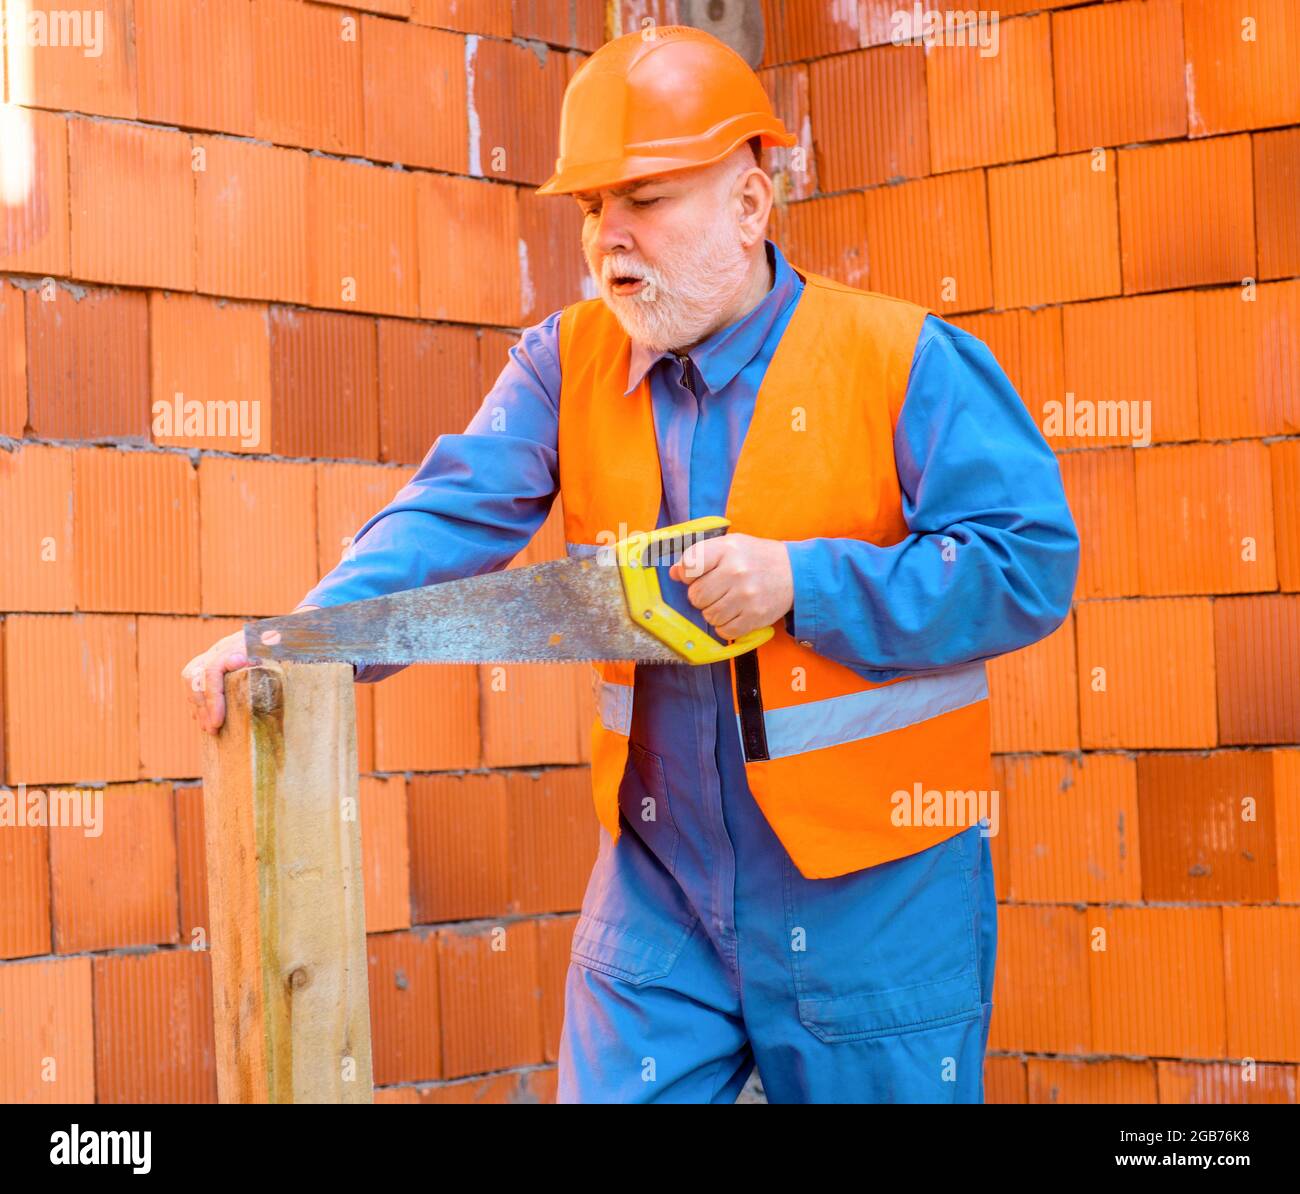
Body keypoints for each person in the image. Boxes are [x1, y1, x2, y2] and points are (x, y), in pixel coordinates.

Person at [183, 25, 1079, 1103]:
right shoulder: (565, 362)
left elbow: (1027, 564)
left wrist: (805, 583)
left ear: (750, 206)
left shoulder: (901, 359)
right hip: (661, 895)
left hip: (874, 897)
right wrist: (302, 641)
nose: (610, 235)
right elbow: (447, 515)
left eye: (645, 198)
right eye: (591, 208)